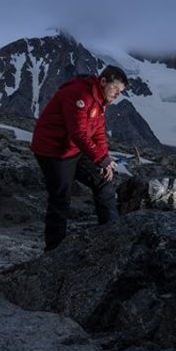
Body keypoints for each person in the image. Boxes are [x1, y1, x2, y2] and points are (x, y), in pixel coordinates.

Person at [30, 65, 129, 250]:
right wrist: (100, 159)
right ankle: (54, 250)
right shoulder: (80, 95)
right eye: (115, 89)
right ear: (103, 81)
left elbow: (98, 132)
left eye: (120, 92)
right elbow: (78, 133)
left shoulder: (99, 100)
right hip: (54, 151)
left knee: (103, 181)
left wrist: (104, 158)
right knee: (60, 198)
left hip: (74, 150)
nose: (117, 94)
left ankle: (111, 235)